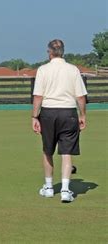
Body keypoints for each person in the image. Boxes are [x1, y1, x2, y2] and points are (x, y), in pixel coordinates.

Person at [32, 39, 87, 203]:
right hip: (68, 113)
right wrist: (82, 115)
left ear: (49, 52)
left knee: (47, 150)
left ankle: (48, 188)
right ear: (63, 52)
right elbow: (80, 96)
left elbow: (38, 96)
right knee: (66, 152)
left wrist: (35, 116)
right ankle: (64, 190)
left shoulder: (43, 70)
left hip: (48, 113)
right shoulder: (73, 69)